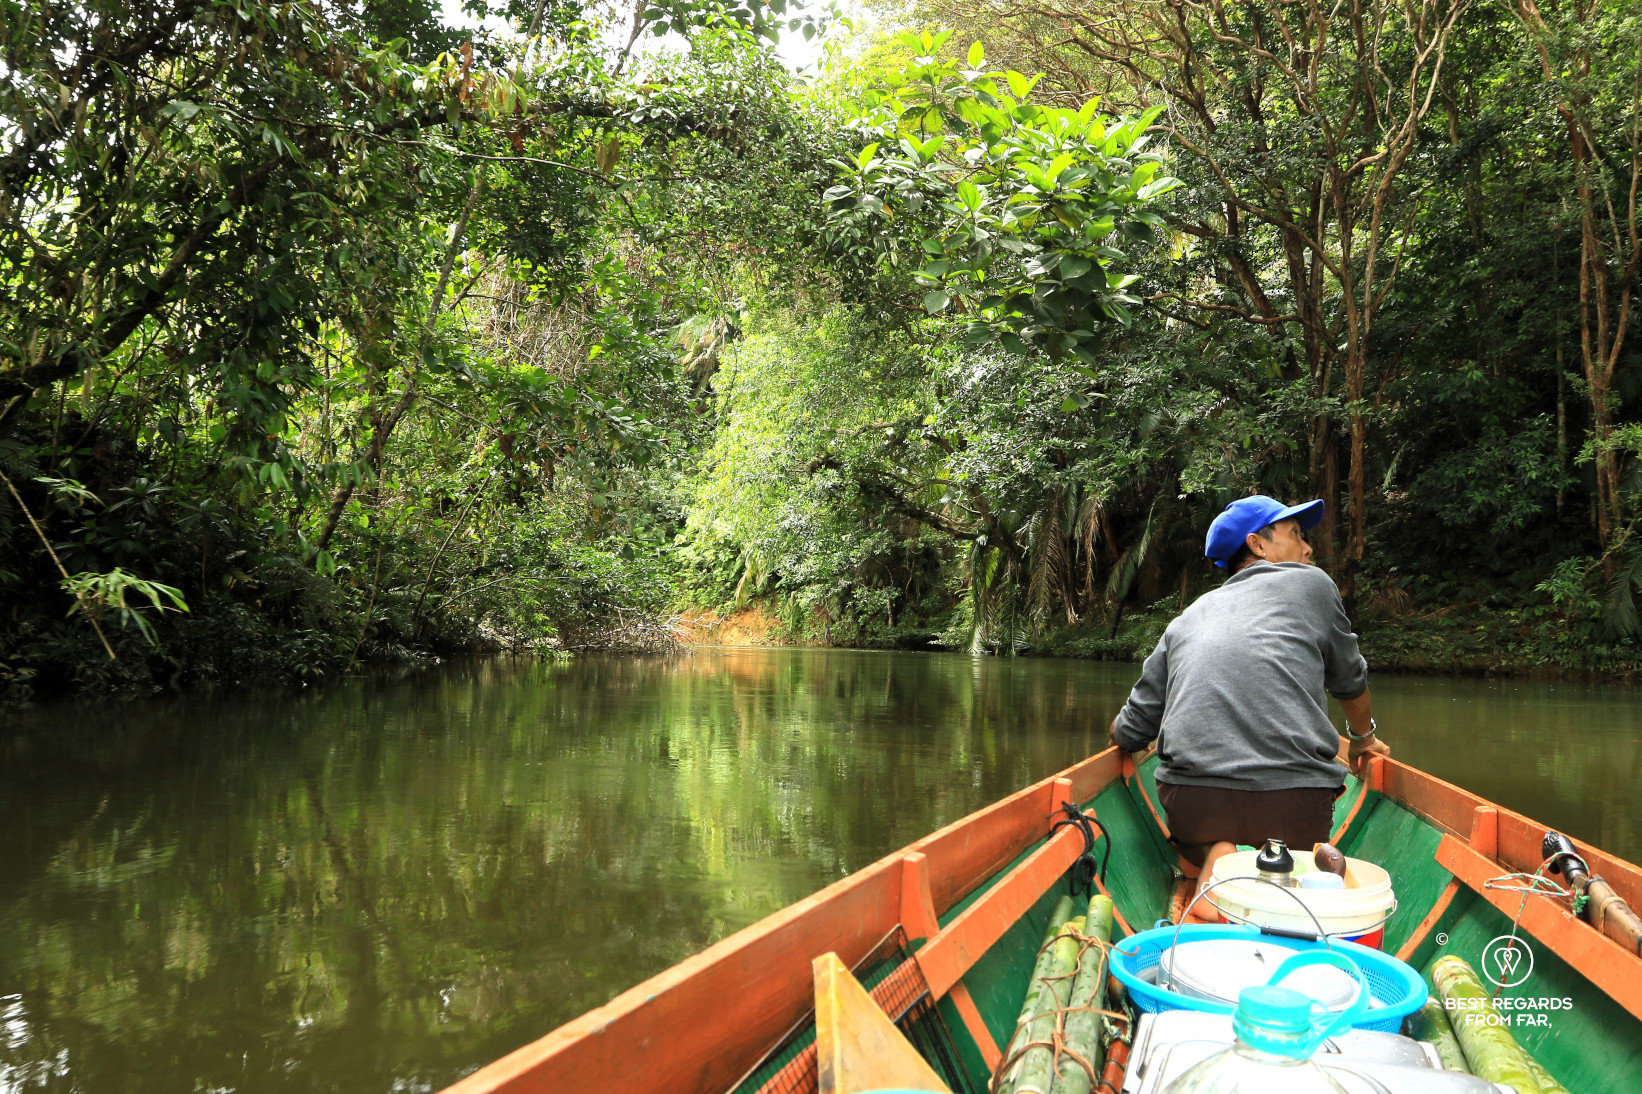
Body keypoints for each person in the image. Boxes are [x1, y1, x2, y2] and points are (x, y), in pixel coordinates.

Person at [1108, 495, 1391, 887]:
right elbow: (1350, 679)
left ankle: (1214, 853)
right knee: (1294, 846)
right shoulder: (1312, 584)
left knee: (1199, 829)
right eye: (1295, 535)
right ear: (1257, 544)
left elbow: (1129, 732)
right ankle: (1264, 865)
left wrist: (1121, 732)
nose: (1308, 548)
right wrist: (1362, 740)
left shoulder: (1187, 618)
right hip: (1294, 812)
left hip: (1195, 811)